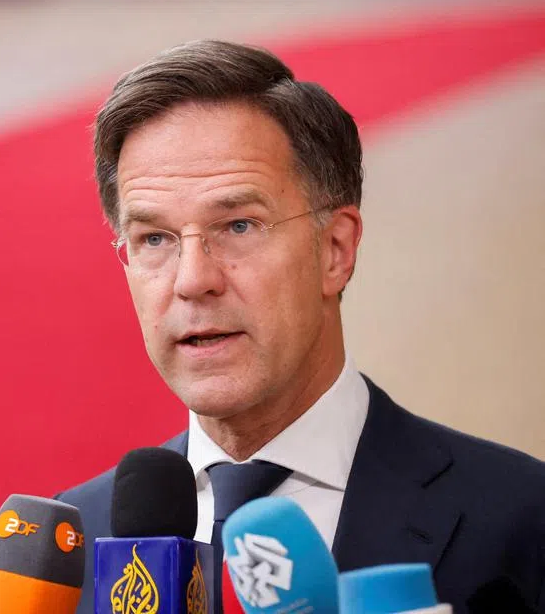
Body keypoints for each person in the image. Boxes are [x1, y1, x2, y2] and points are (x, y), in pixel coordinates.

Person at [54, 40, 545, 614]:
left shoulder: (521, 520)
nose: (192, 280)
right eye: (154, 239)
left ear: (335, 249)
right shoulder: (74, 548)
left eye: (239, 226)